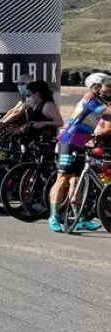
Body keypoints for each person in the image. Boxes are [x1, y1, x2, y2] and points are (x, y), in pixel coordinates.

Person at [48, 72, 111, 233]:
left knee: (76, 181)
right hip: (69, 140)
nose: (108, 89)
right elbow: (104, 110)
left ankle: (79, 217)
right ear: (95, 87)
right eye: (105, 86)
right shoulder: (90, 97)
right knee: (62, 178)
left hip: (80, 142)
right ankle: (53, 216)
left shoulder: (102, 102)